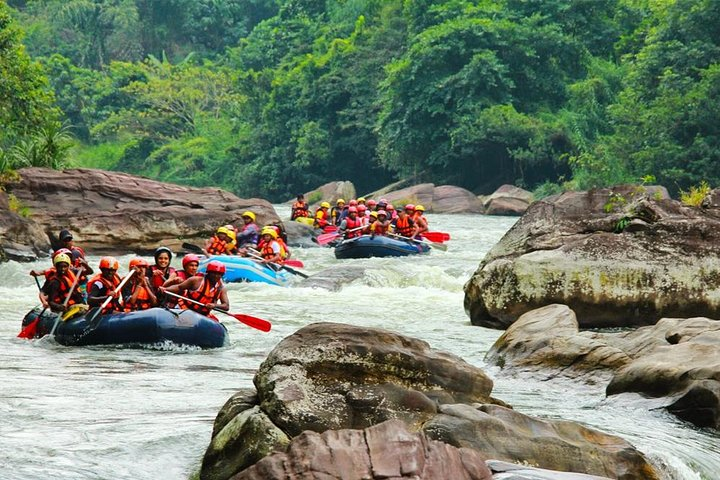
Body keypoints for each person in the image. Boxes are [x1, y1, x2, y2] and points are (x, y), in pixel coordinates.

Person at [159, 260, 229, 318]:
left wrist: (214, 305)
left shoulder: (221, 288)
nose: (216, 276)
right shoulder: (196, 281)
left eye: (219, 274)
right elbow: (179, 287)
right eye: (214, 273)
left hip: (202, 316)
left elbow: (226, 306)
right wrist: (166, 289)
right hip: (184, 309)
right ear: (208, 273)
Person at [57, 229, 92, 301]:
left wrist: (83, 266)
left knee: (83, 297)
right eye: (65, 240)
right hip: (67, 281)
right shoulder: (59, 255)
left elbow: (86, 270)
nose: (67, 242)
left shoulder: (76, 253)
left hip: (80, 281)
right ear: (61, 242)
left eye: (69, 240)